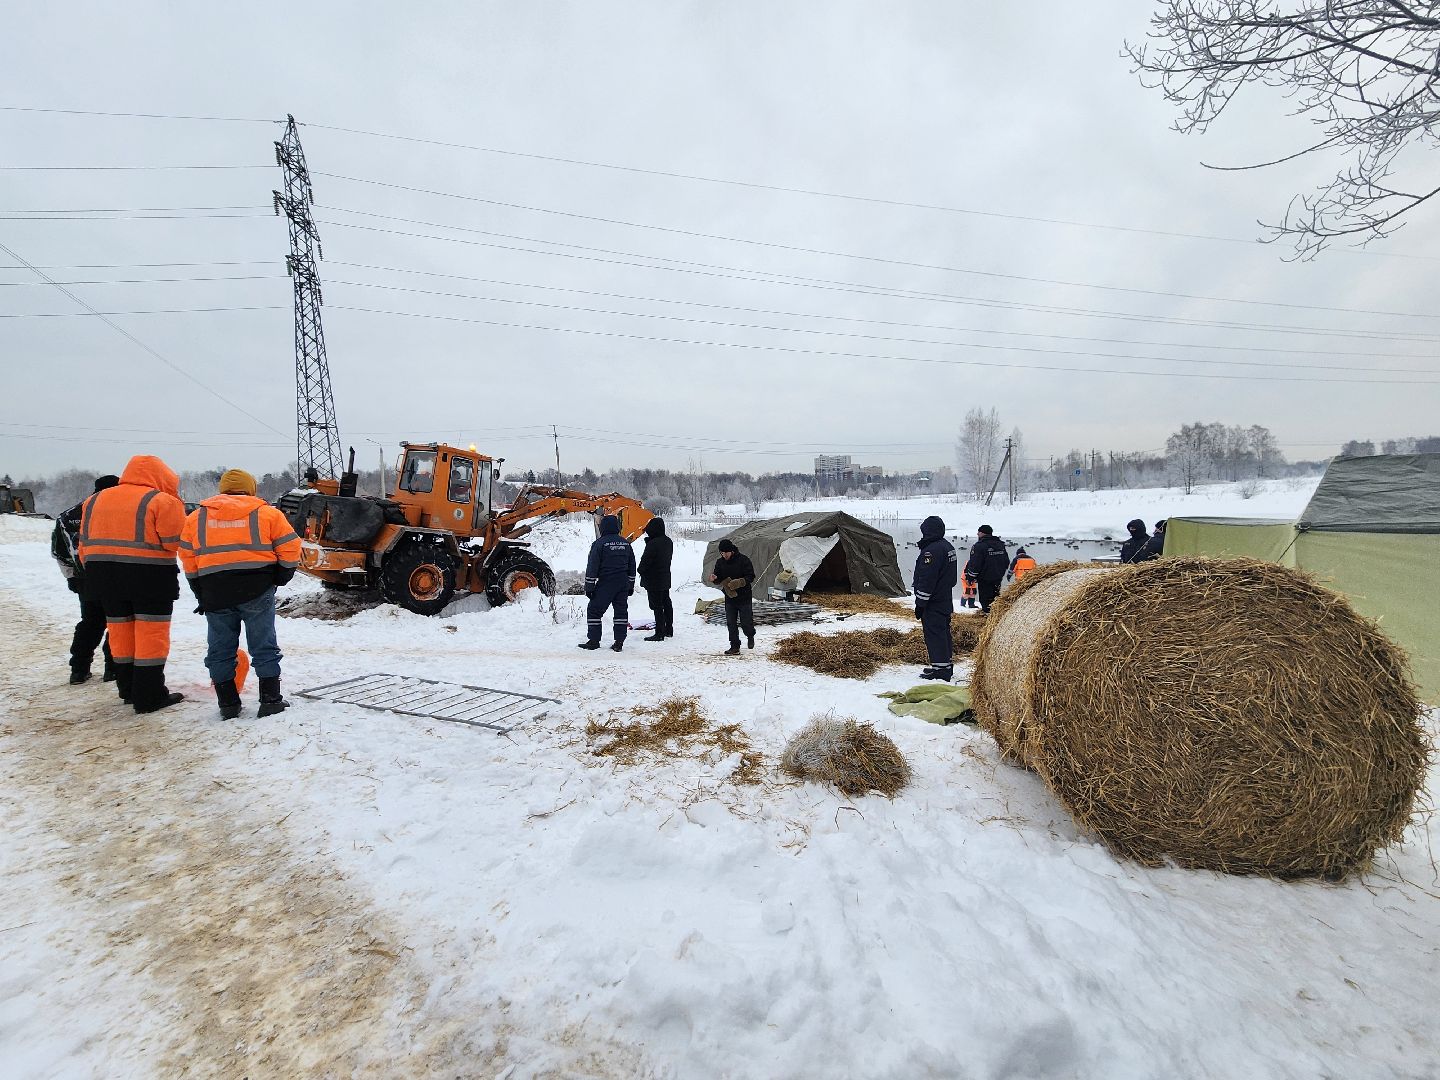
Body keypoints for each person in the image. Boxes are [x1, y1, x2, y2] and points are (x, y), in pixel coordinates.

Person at [180, 469, 302, 720]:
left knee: (220, 648)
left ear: (222, 489)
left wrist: (198, 588)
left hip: (215, 591)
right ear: (251, 488)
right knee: (263, 644)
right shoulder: (267, 513)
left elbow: (188, 557)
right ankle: (270, 701)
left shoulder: (197, 517)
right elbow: (291, 548)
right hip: (257, 588)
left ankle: (228, 704)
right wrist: (281, 577)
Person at [77, 455, 187, 713]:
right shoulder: (161, 500)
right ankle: (149, 695)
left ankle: (127, 688)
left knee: (120, 633)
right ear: (160, 476)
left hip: (103, 578)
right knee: (151, 635)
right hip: (149, 579)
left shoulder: (94, 501)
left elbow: (84, 543)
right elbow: (175, 541)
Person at [52, 474, 120, 684]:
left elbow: (59, 551)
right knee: (118, 623)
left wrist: (71, 577)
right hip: (116, 576)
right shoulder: (118, 513)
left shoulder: (68, 515)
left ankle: (79, 669)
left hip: (85, 579)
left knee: (90, 622)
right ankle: (114, 668)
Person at [579, 514, 635, 652]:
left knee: (594, 611)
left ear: (603, 527)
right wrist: (631, 585)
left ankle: (594, 640)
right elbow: (632, 566)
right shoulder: (625, 543)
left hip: (606, 583)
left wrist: (589, 587)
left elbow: (592, 567)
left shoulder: (599, 544)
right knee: (621, 612)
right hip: (622, 583)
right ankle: (619, 642)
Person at [913, 516, 958, 681]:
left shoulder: (931, 551)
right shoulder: (947, 546)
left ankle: (941, 671)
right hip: (945, 598)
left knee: (935, 635)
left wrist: (920, 604)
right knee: (943, 633)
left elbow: (927, 580)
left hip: (934, 602)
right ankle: (945, 665)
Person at [709, 538, 756, 655]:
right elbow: (718, 577)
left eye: (726, 552)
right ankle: (735, 646)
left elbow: (751, 576)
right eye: (722, 553)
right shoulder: (720, 562)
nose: (724, 555)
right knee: (731, 622)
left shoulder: (743, 560)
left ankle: (750, 635)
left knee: (746, 622)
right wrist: (714, 579)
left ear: (732, 551)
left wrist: (740, 582)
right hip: (730, 597)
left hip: (744, 596)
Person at [637, 517, 673, 642]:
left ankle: (659, 633)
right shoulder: (668, 541)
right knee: (666, 603)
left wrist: (640, 570)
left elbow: (645, 562)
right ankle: (669, 629)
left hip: (653, 580)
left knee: (657, 606)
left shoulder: (653, 544)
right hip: (665, 577)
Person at [964, 525, 1010, 615]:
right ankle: (996, 616)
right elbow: (1006, 561)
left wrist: (970, 577)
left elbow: (975, 564)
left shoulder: (979, 546)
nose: (977, 534)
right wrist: (1000, 573)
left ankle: (988, 618)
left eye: (979, 532)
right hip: (997, 578)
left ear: (982, 533)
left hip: (985, 579)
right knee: (995, 598)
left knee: (985, 600)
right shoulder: (1000, 544)